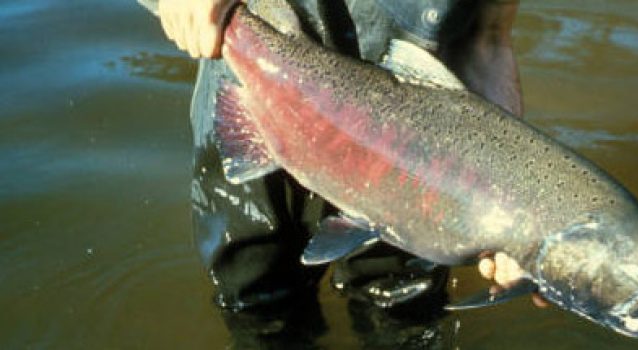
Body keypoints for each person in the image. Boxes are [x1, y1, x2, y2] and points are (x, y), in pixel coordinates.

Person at [154, 0, 544, 346]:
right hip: (264, 80)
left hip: (412, 160)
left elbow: (487, 38)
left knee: (404, 315)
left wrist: (508, 201)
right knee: (260, 304)